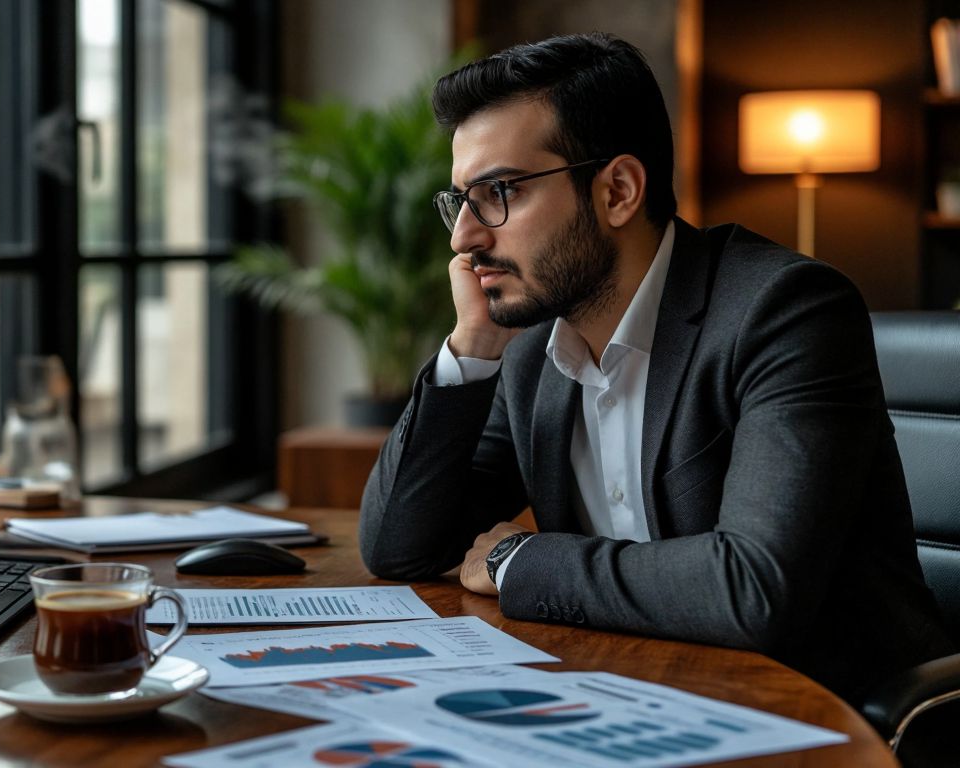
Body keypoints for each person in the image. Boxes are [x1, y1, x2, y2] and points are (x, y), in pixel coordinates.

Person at [358, 32, 952, 705]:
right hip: (638, 693)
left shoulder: (784, 312)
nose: (465, 237)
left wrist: (518, 559)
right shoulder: (530, 355)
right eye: (461, 200)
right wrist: (472, 345)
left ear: (617, 191)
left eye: (499, 192)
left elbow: (751, 590)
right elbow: (399, 547)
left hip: (835, 714)